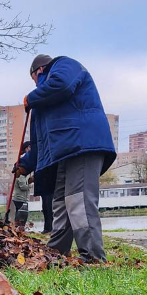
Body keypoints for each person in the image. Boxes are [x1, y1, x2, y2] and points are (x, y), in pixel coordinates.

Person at [15, 54, 116, 263]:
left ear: (39, 71)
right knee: (60, 202)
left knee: (79, 201)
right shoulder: (42, 105)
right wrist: (25, 164)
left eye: (33, 80)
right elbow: (41, 143)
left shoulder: (64, 65)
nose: (35, 86)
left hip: (83, 144)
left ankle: (93, 257)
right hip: (64, 152)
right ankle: (56, 253)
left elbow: (61, 85)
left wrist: (31, 97)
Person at [11, 140, 31, 227]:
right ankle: (18, 227)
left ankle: (17, 227)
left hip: (20, 198)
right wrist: (30, 184)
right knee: (19, 215)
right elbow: (23, 186)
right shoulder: (21, 174)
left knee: (18, 215)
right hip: (19, 198)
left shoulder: (24, 160)